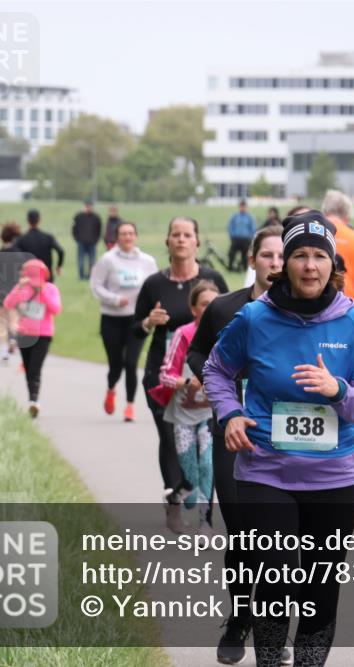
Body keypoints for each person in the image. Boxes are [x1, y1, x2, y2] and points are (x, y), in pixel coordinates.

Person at [204, 211, 354, 667]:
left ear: (332, 264)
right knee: (278, 577)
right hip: (267, 471)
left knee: (321, 583)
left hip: (335, 475)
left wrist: (336, 390)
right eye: (299, 255)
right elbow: (217, 371)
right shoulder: (255, 318)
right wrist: (232, 414)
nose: (309, 266)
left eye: (319, 256)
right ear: (284, 263)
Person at [186, 225, 288, 665]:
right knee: (246, 533)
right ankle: (241, 615)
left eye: (283, 256)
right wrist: (213, 382)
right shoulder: (226, 308)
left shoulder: (306, 315)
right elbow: (197, 353)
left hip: (288, 440)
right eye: (267, 255)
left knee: (284, 541)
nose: (275, 264)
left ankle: (273, 628)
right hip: (235, 436)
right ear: (252, 260)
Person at [133, 217, 228, 529]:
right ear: (167, 241)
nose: (181, 240)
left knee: (208, 450)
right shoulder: (154, 284)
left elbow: (231, 321)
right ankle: (177, 496)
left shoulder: (213, 280)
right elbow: (135, 329)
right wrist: (149, 321)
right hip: (165, 374)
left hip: (206, 379)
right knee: (171, 442)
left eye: (188, 235)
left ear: (197, 241)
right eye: (176, 234)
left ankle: (205, 517)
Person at [150, 280, 220, 534]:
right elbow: (165, 375)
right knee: (190, 475)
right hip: (182, 414)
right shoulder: (184, 334)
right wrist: (186, 382)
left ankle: (205, 523)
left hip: (209, 415)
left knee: (208, 465)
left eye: (215, 305)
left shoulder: (225, 335)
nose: (210, 309)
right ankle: (177, 495)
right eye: (204, 305)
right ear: (194, 309)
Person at [90, 222, 158, 422]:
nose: (127, 237)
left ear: (135, 236)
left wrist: (153, 305)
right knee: (116, 364)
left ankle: (129, 405)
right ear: (117, 238)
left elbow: (154, 286)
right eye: (123, 234)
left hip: (136, 319)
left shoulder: (147, 261)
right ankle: (111, 388)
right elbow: (96, 286)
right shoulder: (107, 260)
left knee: (131, 362)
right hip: (112, 319)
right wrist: (114, 299)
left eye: (130, 233)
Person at [4, 259, 62, 417]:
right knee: (29, 368)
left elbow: (56, 309)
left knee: (35, 368)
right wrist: (20, 288)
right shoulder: (22, 288)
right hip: (24, 333)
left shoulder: (50, 289)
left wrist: (42, 291)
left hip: (43, 334)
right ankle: (32, 399)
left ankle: (33, 401)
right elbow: (8, 303)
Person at [321, 189, 354, 302]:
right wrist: (352, 291)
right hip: (344, 303)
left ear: (324, 211)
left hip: (312, 302)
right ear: (347, 215)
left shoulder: (313, 232)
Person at [0, 223, 24, 364]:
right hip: (15, 289)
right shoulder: (19, 255)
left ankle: (4, 351)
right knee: (14, 320)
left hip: (0, 289)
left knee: (1, 321)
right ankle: (13, 339)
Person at [13, 209, 65, 282]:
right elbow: (61, 251)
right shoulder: (48, 237)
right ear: (40, 220)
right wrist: (58, 266)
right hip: (46, 277)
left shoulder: (21, 239)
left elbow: (14, 255)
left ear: (27, 221)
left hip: (28, 278)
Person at [72, 200, 102, 279]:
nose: (88, 208)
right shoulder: (78, 216)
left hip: (92, 242)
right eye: (87, 206)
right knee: (81, 260)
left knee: (92, 260)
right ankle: (81, 276)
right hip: (81, 242)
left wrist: (96, 240)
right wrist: (77, 238)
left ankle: (91, 276)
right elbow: (74, 229)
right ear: (85, 206)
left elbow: (99, 230)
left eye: (90, 206)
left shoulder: (96, 218)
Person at [227, 200, 256, 272]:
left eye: (244, 206)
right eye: (241, 206)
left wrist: (250, 237)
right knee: (231, 253)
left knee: (245, 255)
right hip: (236, 239)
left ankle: (244, 268)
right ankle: (230, 267)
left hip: (246, 239)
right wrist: (232, 235)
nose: (242, 208)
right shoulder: (235, 216)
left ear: (246, 207)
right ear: (239, 207)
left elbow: (253, 228)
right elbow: (230, 226)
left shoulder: (250, 217)